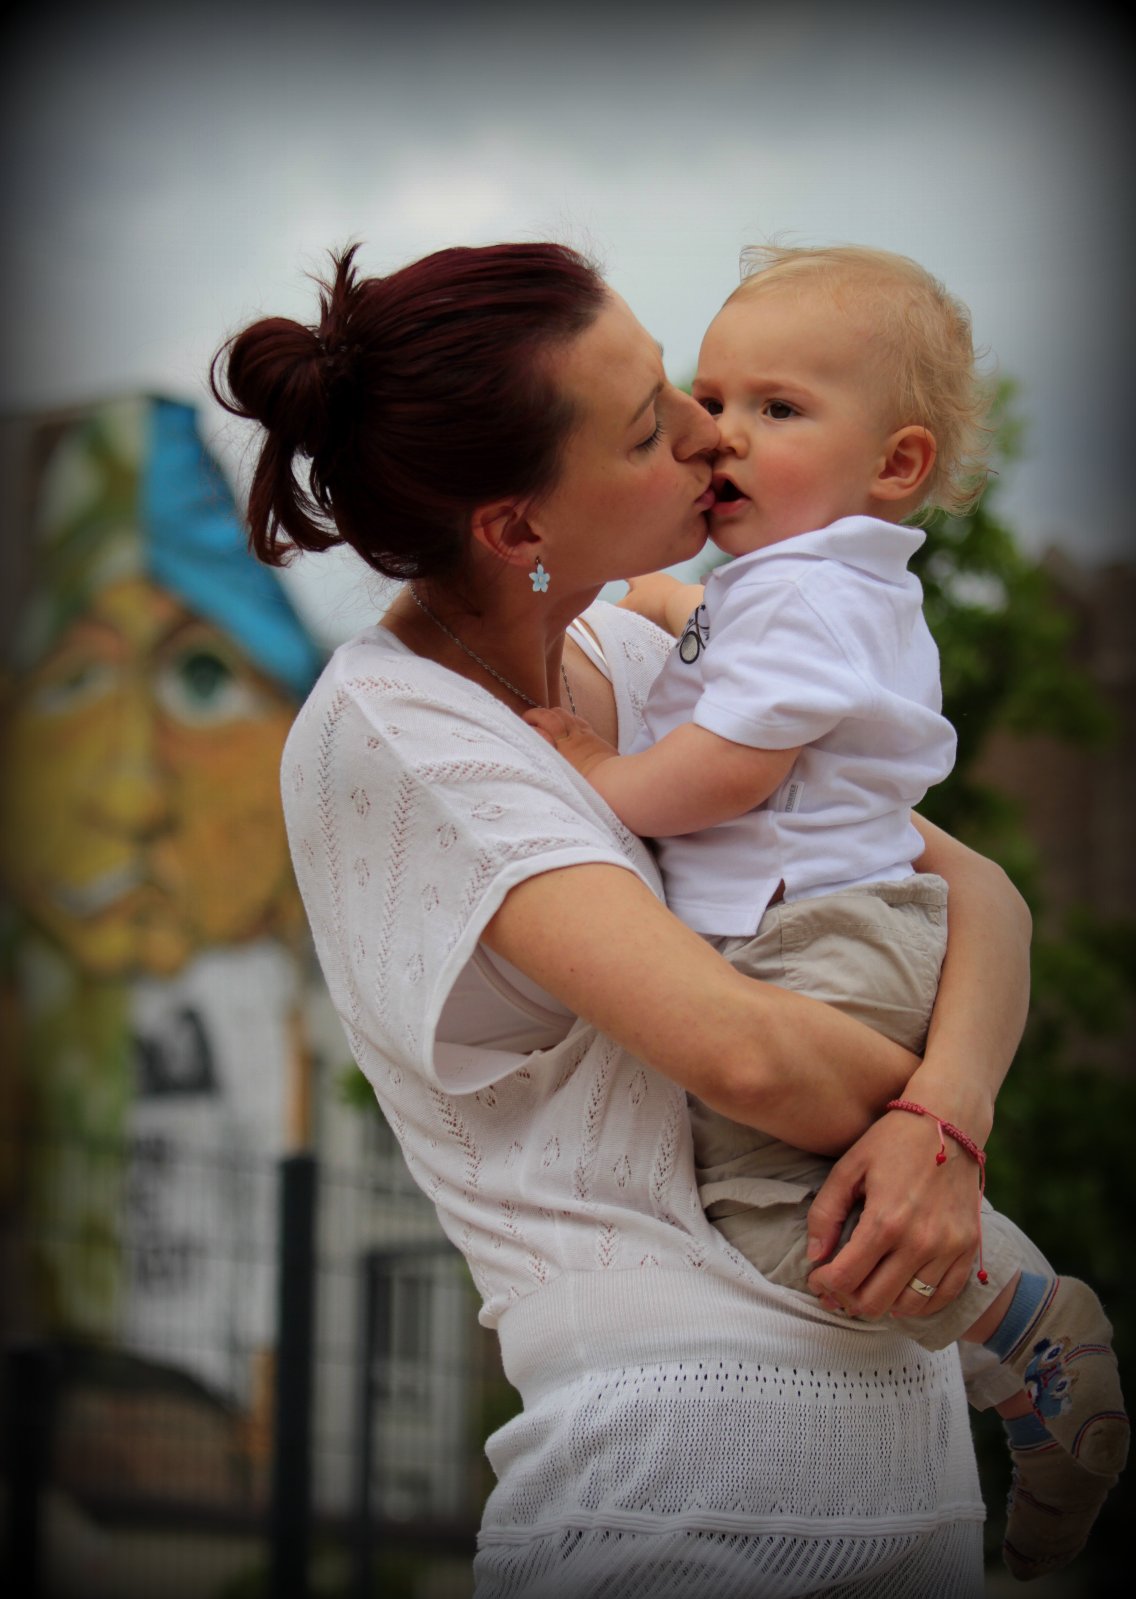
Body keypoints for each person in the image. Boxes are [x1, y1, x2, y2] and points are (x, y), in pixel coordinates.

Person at [214, 239, 1037, 1598]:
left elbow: (983, 894)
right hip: (673, 1479)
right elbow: (751, 1058)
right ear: (517, 530)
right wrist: (940, 1109)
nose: (712, 436)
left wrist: (945, 1120)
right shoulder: (401, 734)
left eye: (682, 388)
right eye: (656, 424)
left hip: (909, 1442)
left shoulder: (656, 656)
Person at [524, 243, 1127, 1580]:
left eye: (779, 408)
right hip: (840, 927)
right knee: (817, 1182)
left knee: (777, 1214)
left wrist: (605, 775)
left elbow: (733, 765)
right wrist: (668, 599)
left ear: (896, 464)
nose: (723, 433)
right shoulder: (809, 585)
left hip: (813, 942)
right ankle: (1016, 1344)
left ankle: (1023, 1329)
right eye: (713, 398)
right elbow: (731, 649)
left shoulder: (804, 594)